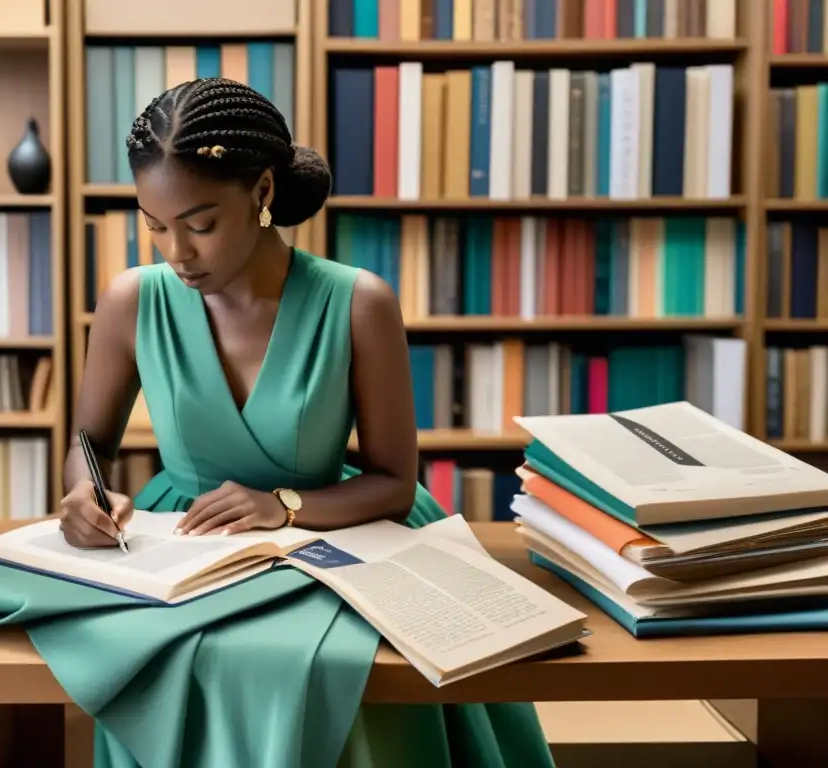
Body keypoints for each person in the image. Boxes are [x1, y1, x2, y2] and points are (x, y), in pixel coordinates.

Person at [59, 77, 555, 768]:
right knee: (169, 665)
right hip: (186, 544)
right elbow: (89, 441)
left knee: (339, 683)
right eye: (155, 224)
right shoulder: (132, 301)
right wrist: (85, 491)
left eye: (200, 224)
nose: (177, 252)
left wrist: (282, 507)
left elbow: (394, 485)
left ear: (262, 194)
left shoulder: (358, 303)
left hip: (336, 534)